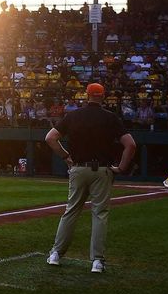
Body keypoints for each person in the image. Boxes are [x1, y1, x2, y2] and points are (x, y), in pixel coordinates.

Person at [45, 82, 136, 274]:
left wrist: (65, 156)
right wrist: (120, 168)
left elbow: (50, 138)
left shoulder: (74, 115)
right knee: (100, 214)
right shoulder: (110, 118)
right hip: (102, 170)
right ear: (102, 96)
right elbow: (131, 145)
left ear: (86, 95)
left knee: (71, 212)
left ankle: (55, 254)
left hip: (78, 168)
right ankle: (97, 261)